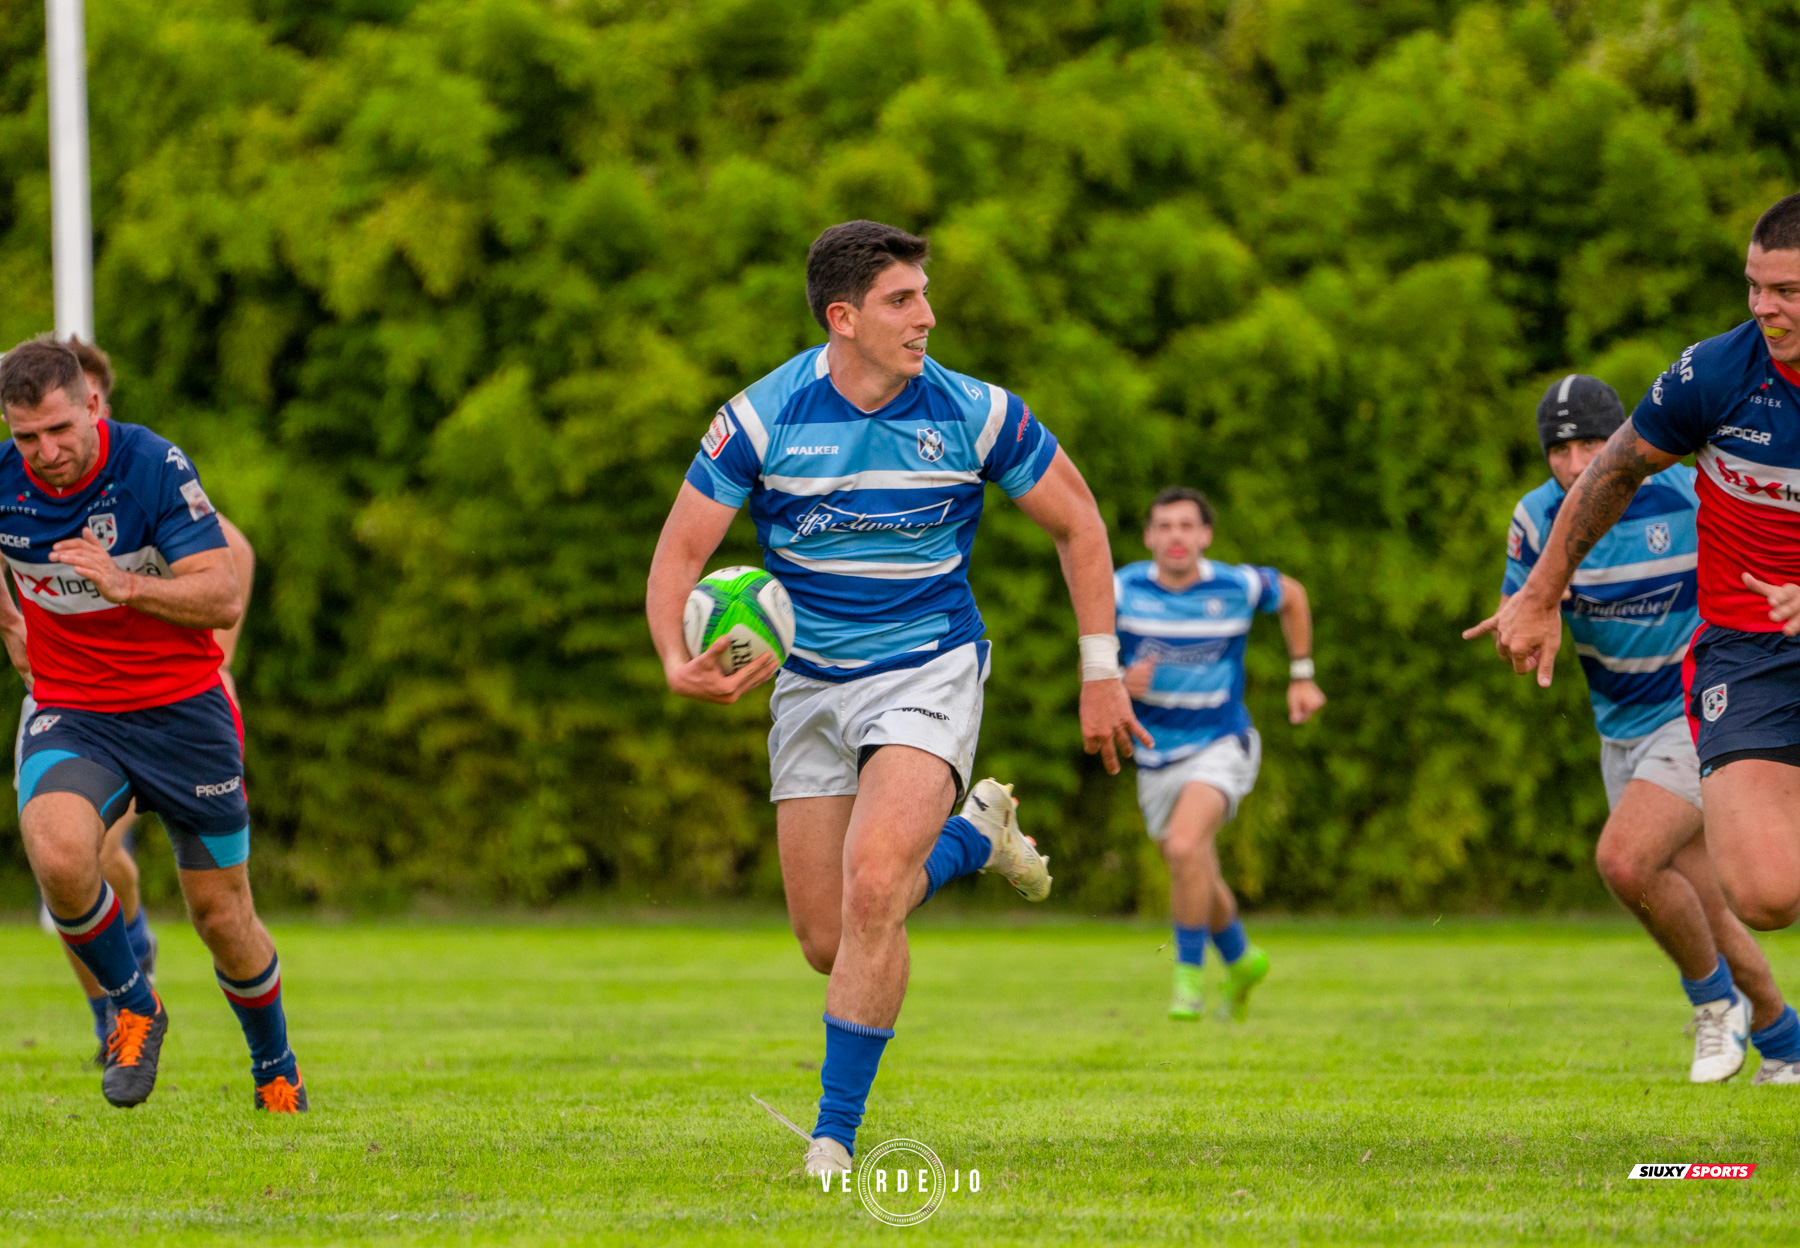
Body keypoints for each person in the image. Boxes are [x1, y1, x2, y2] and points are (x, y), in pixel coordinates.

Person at [646, 221, 1146, 1176]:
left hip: (928, 669)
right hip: (809, 686)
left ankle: (834, 1136)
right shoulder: (760, 420)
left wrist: (1101, 669)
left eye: (924, 295)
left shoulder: (977, 413)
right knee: (826, 939)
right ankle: (974, 839)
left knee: (876, 888)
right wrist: (677, 657)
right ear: (844, 318)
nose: (927, 316)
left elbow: (1079, 525)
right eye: (902, 301)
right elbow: (679, 556)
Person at [1471, 192, 1800, 1079]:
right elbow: (1606, 481)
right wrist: (1535, 600)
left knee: (1627, 860)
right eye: (1754, 287)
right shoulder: (1711, 380)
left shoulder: (1682, 506)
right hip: (1703, 681)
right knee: (1744, 894)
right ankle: (1777, 1038)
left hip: (1683, 713)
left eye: (1787, 291)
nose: (1764, 308)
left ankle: (1727, 1015)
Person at [0, 337, 302, 1112]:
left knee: (222, 916)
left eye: (60, 430)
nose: (46, 452)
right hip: (76, 711)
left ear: (93, 405)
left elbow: (223, 594)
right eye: (26, 437)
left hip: (181, 710)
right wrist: (11, 621)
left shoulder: (152, 466)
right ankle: (133, 1002)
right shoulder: (6, 480)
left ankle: (275, 1068)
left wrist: (122, 584)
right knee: (61, 856)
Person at [1116, 488, 1324, 1022]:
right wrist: (1118, 681)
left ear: (1205, 536)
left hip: (1221, 742)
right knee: (1191, 867)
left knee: (1185, 848)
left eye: (1187, 526)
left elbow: (1295, 595)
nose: (1176, 536)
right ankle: (1242, 958)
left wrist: (1302, 675)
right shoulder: (1121, 590)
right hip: (1155, 754)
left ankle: (1188, 983)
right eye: (1164, 526)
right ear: (1148, 537)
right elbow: (1092, 665)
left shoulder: (1236, 585)